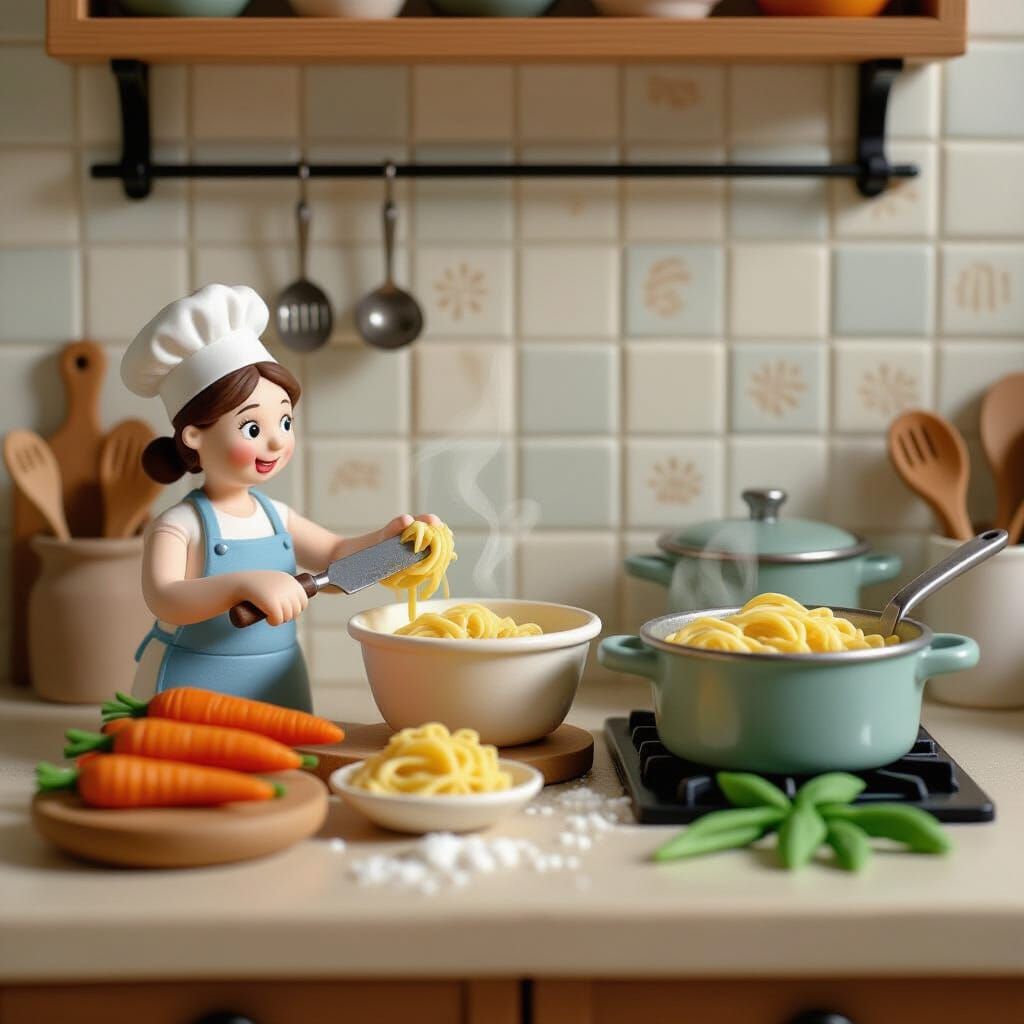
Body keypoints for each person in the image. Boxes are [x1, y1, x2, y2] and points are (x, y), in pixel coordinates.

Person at [121, 283, 436, 712]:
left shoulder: (276, 516)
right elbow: (164, 596)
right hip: (192, 682)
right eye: (253, 429)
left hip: (277, 678)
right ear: (194, 435)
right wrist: (242, 583)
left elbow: (336, 556)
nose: (275, 442)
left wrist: (390, 543)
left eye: (284, 421)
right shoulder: (179, 525)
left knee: (289, 764)